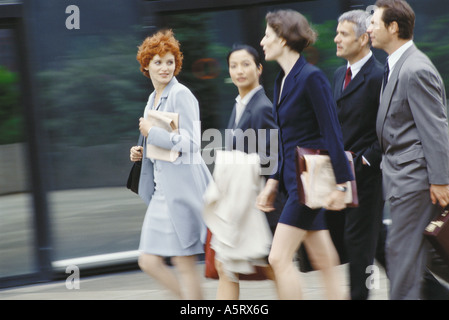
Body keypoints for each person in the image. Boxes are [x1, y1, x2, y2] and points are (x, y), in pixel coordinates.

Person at [256, 9, 354, 300]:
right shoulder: (281, 80)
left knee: (278, 259)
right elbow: (286, 139)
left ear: (284, 39)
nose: (263, 42)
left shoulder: (311, 78)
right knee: (325, 261)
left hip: (308, 185)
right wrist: (274, 182)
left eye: (268, 36)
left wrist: (343, 183)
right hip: (293, 183)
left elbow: (332, 131)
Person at [367, 0, 449, 299]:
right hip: (403, 181)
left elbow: (436, 129)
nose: (369, 28)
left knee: (402, 263)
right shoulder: (397, 66)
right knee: (404, 260)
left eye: (374, 22)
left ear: (393, 27)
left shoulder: (415, 69)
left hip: (414, 182)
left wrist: (441, 180)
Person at [130, 29, 212, 300]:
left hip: (182, 190)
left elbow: (192, 143)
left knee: (183, 262)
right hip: (161, 192)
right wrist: (142, 151)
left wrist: (152, 133)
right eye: (157, 62)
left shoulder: (181, 94)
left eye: (169, 61)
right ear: (146, 66)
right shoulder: (152, 99)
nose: (165, 68)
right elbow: (160, 143)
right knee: (148, 261)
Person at [213, 44, 280, 299]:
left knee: (269, 265)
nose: (239, 71)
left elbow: (272, 157)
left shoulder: (262, 107)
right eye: (233, 66)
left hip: (256, 200)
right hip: (241, 200)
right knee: (228, 266)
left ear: (259, 69)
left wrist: (234, 164)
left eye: (246, 64)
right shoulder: (241, 104)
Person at [331, 10, 384, 300]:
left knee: (358, 245)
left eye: (343, 34)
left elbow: (389, 128)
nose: (336, 39)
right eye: (337, 33)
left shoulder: (379, 76)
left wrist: (365, 160)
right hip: (344, 175)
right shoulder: (340, 74)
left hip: (367, 176)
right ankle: (434, 290)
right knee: (378, 245)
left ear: (363, 39)